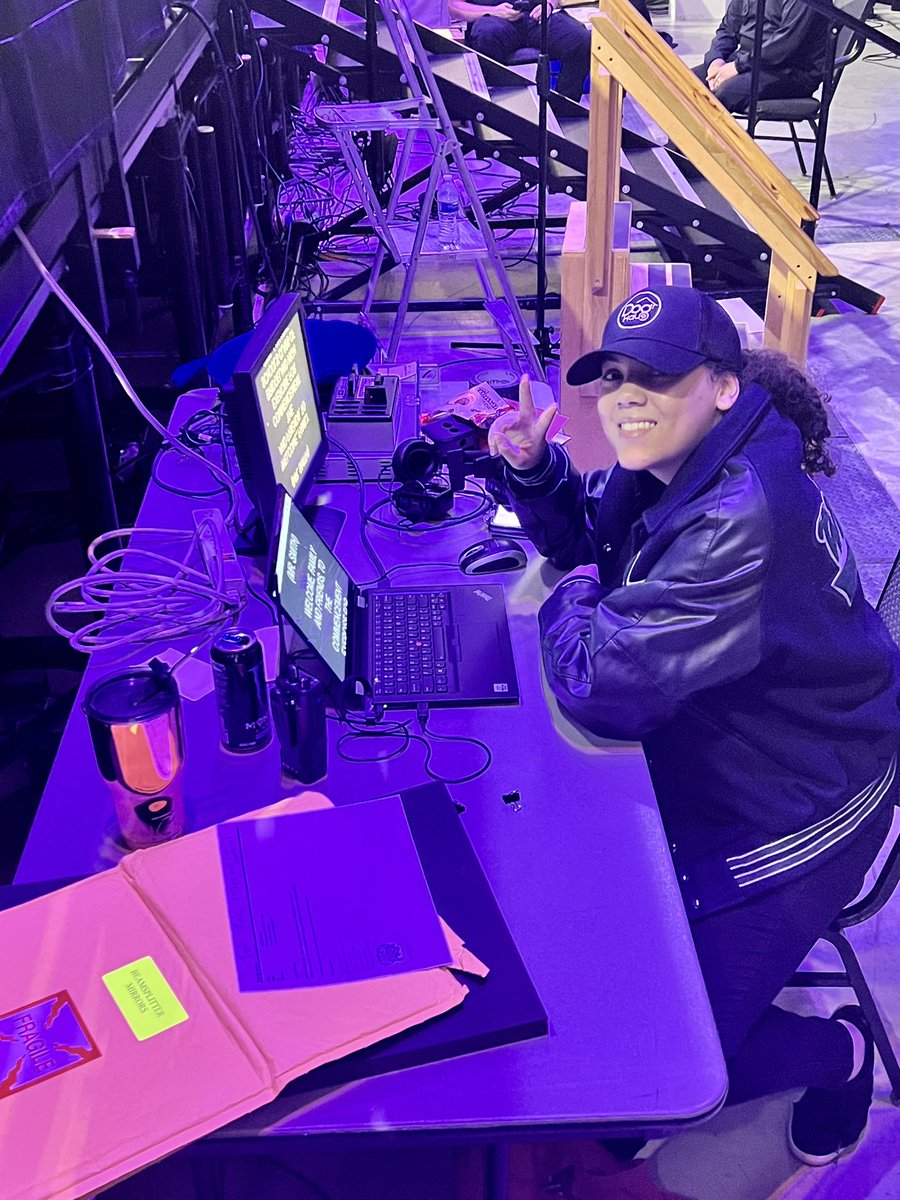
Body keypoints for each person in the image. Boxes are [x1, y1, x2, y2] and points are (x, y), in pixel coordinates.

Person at [487, 285, 900, 1165]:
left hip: (800, 811)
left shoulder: (739, 514)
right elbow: (590, 538)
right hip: (734, 760)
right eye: (614, 378)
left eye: (658, 378)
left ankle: (839, 1050)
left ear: (721, 385)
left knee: (646, 1082)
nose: (628, 398)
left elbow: (601, 676)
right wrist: (533, 469)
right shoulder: (687, 460)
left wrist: (572, 596)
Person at [692, 0, 829, 113]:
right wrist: (716, 60)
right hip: (748, 59)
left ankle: (704, 145)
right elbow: (728, 29)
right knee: (687, 81)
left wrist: (737, 66)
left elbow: (786, 43)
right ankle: (677, 146)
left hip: (792, 69)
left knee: (726, 92)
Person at [447, 0, 592, 101]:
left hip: (535, 17)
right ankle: (499, 112)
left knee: (582, 40)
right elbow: (453, 6)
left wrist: (547, 5)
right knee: (486, 36)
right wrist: (493, 11)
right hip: (493, 19)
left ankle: (563, 111)